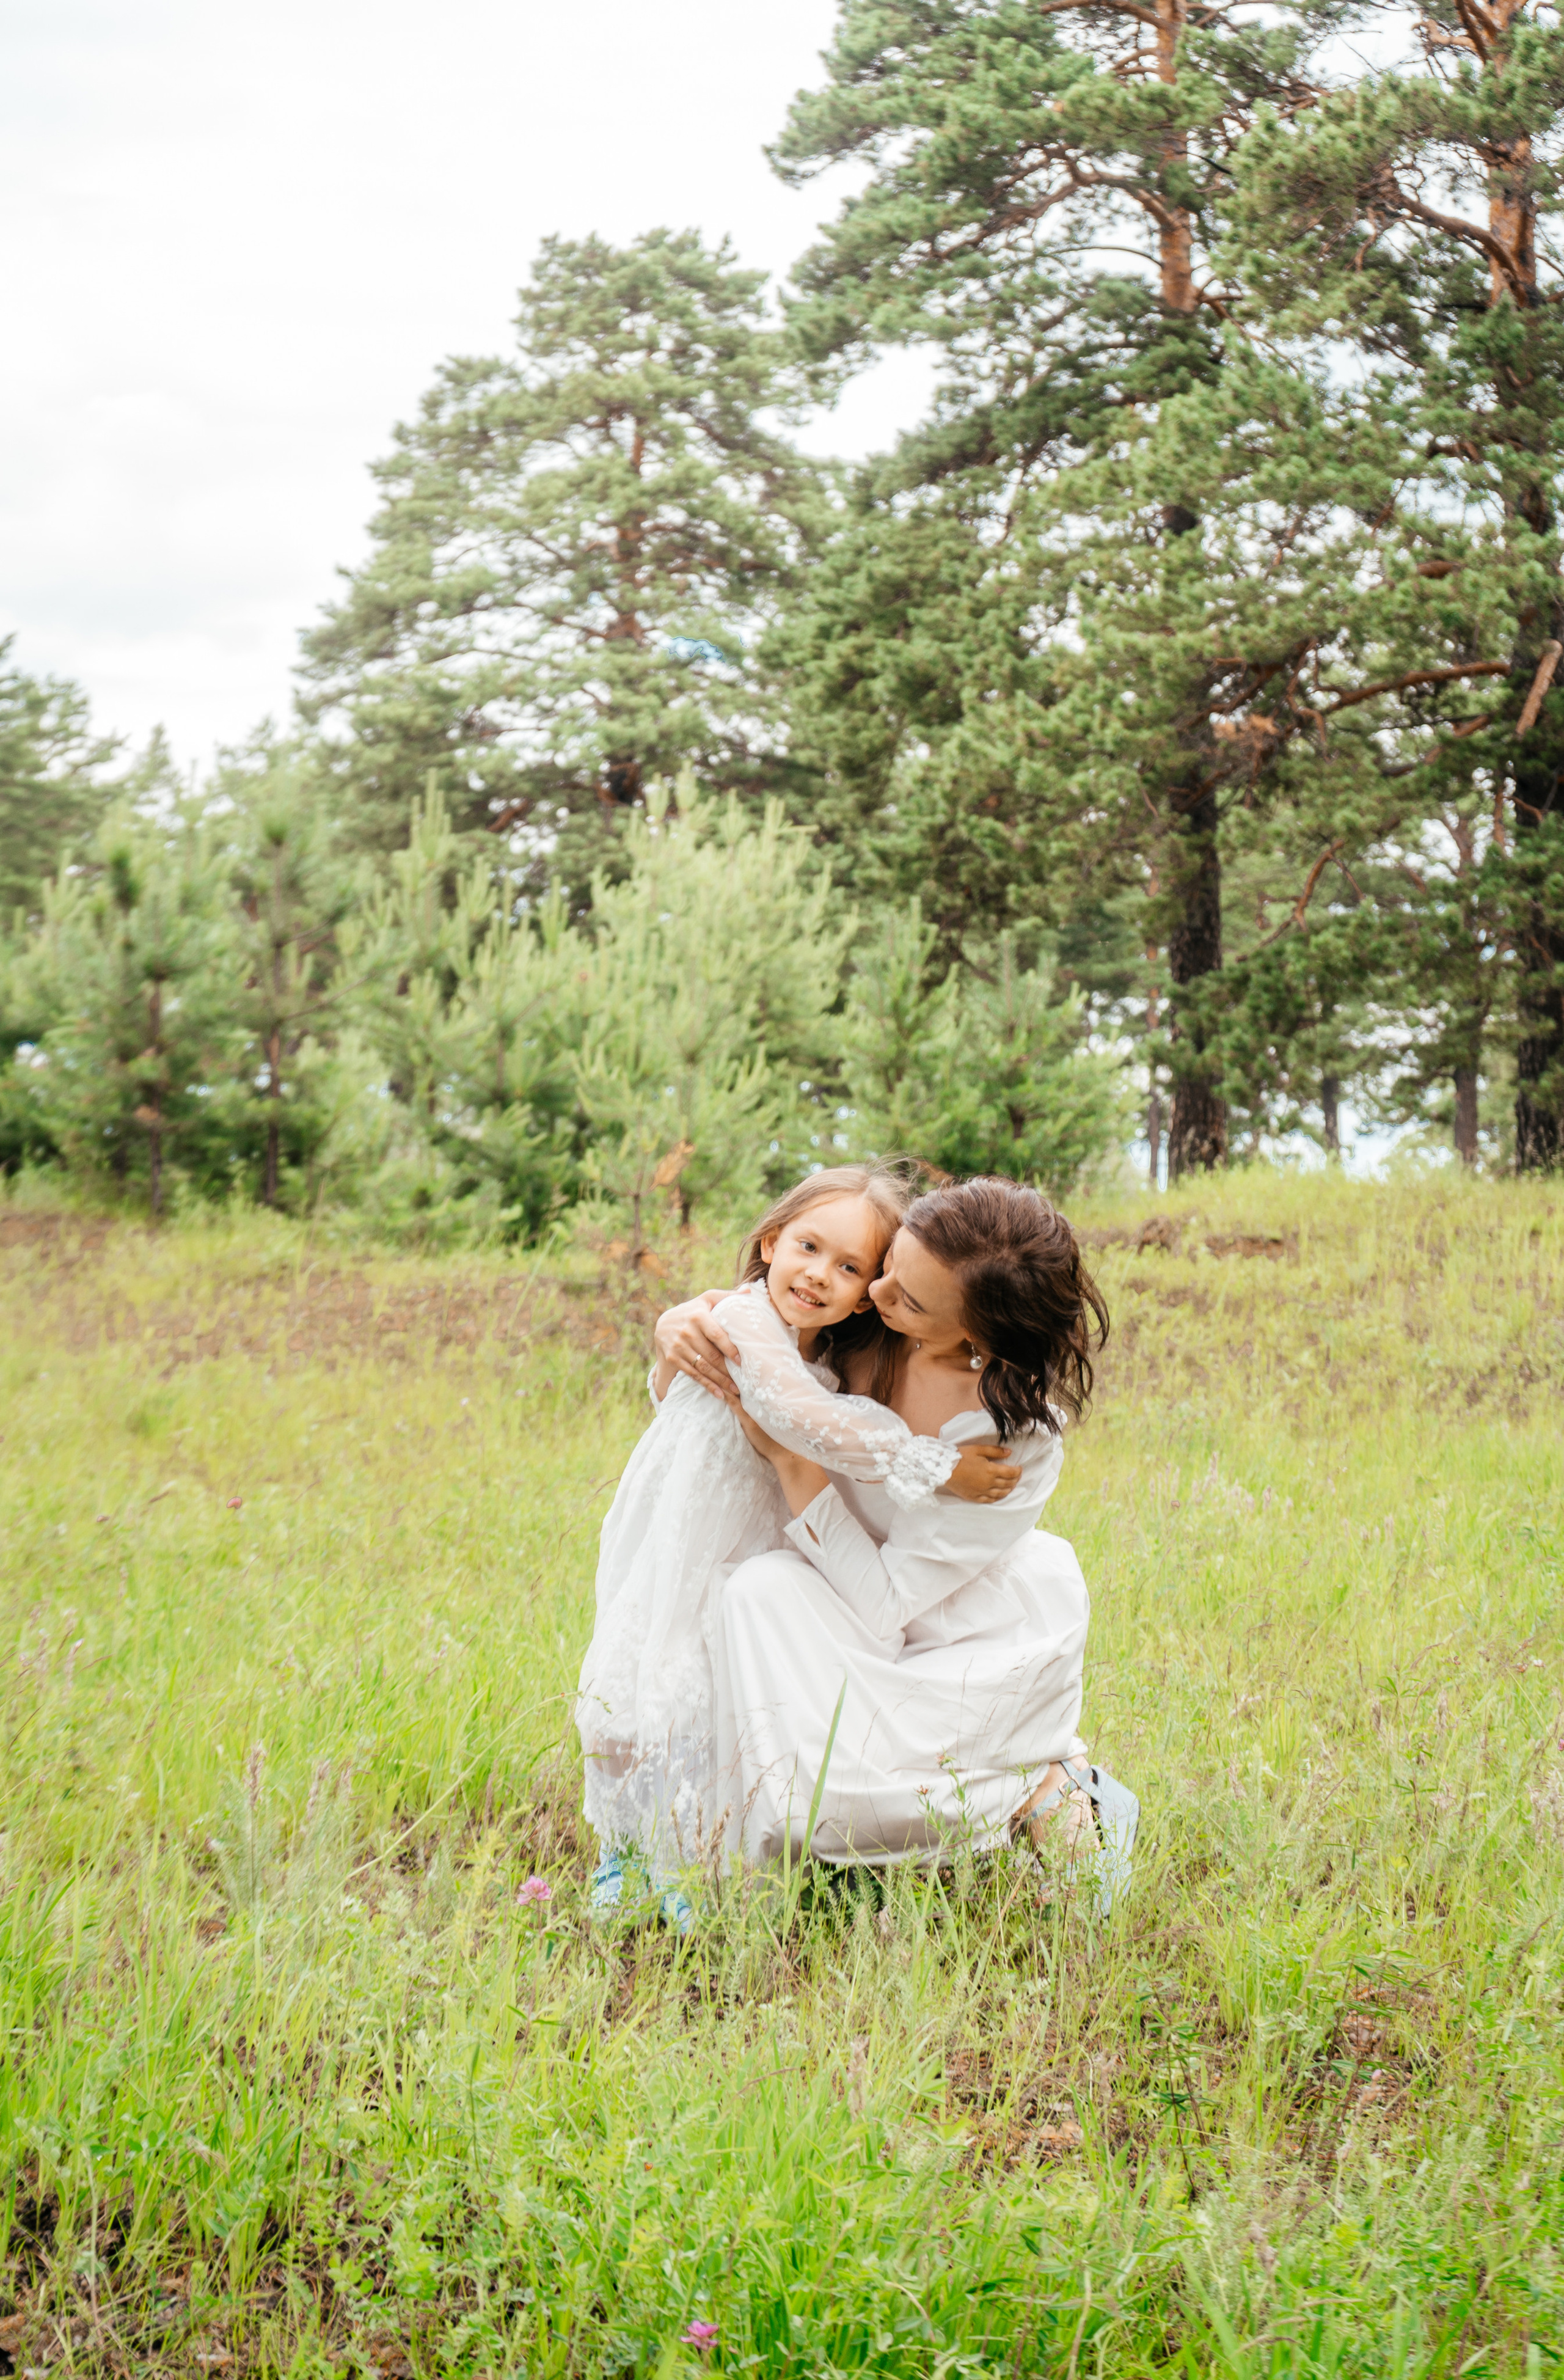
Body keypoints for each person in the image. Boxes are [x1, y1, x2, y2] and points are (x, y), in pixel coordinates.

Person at [655, 1176, 1139, 1901]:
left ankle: (1039, 1785)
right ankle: (797, 1857)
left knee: (861, 1806)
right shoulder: (868, 1315)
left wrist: (794, 1460)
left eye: (906, 1298)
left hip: (941, 1626)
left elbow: (885, 1606)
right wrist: (684, 1318)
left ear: (977, 1335)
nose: (875, 1296)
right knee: (756, 1591)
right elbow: (765, 1304)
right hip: (825, 1587)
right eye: (885, 1269)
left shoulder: (1015, 1446)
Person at [577, 1163, 1018, 1932]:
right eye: (808, 1247)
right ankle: (624, 1850)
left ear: (871, 1289)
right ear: (771, 1240)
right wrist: (934, 1461)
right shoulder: (744, 1322)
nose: (820, 1275)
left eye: (850, 1267)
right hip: (677, 1534)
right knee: (633, 1687)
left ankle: (690, 1857)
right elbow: (792, 1414)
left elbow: (803, 1405)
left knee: (708, 1694)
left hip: (741, 1540)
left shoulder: (820, 1364)